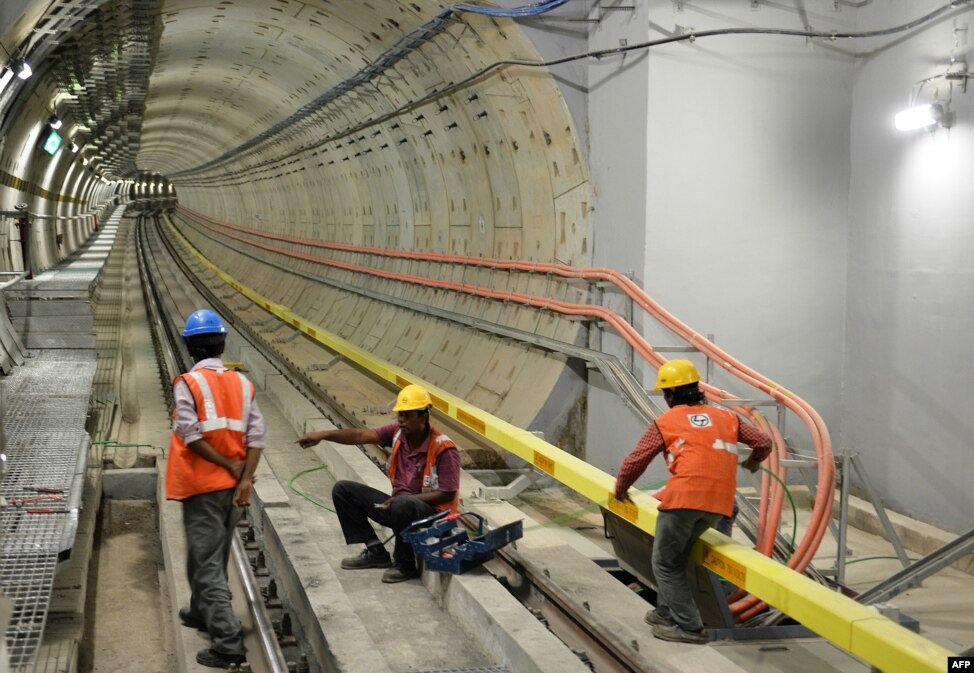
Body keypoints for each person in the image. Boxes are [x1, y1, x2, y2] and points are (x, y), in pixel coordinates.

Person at [614, 359, 771, 644]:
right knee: (677, 557)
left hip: (683, 502)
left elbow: (636, 460)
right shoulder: (727, 418)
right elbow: (763, 442)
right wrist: (752, 461)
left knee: (665, 563)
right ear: (697, 388)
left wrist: (620, 489)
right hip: (720, 506)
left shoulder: (666, 421)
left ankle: (688, 627)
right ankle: (665, 613)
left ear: (670, 395)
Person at [165, 309, 266, 669]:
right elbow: (256, 436)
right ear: (222, 344)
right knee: (209, 555)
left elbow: (189, 434)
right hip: (232, 490)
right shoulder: (242, 383)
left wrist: (229, 466)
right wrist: (245, 479)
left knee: (207, 564)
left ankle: (227, 643)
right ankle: (198, 610)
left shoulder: (187, 383)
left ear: (190, 347)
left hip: (203, 487)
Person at [296, 383, 460, 583]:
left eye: (407, 415)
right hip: (400, 509)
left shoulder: (444, 448)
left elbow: (448, 493)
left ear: (423, 417)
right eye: (400, 415)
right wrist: (323, 435)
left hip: (432, 518)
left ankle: (405, 564)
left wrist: (409, 498)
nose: (401, 420)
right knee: (343, 490)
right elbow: (360, 435)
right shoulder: (398, 434)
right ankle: (376, 551)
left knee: (402, 503)